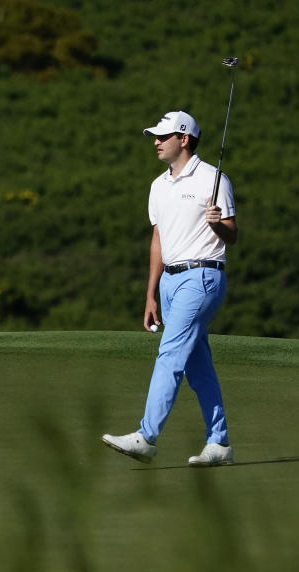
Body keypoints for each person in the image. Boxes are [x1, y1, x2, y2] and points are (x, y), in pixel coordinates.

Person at [102, 111, 238, 466]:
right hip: (169, 282)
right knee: (197, 366)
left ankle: (147, 436)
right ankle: (219, 443)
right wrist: (150, 293)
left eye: (163, 136)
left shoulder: (214, 179)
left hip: (203, 276)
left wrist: (217, 224)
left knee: (170, 353)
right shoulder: (157, 186)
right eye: (155, 136)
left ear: (185, 139)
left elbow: (232, 234)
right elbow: (158, 240)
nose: (156, 142)